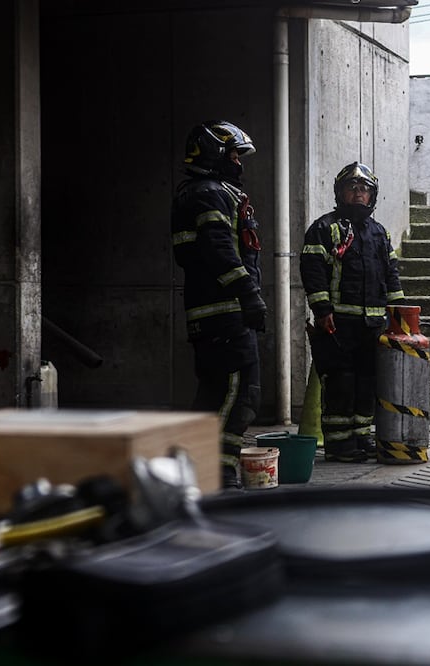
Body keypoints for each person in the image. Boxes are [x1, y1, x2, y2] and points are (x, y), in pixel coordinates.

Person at [171, 120, 267, 488]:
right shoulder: (210, 194)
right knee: (239, 395)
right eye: (233, 155)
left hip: (213, 314)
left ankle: (200, 472)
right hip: (224, 313)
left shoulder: (203, 192)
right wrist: (249, 294)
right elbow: (220, 251)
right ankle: (218, 475)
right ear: (214, 154)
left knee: (215, 393)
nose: (238, 163)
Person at [300, 162, 405, 462]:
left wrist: (398, 317)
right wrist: (321, 310)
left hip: (373, 325)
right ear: (340, 193)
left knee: (367, 383)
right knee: (341, 383)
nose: (358, 194)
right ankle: (339, 444)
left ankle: (361, 436)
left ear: (372, 196)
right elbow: (313, 271)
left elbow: (391, 276)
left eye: (364, 189)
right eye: (352, 188)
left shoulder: (379, 233)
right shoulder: (324, 228)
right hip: (337, 325)